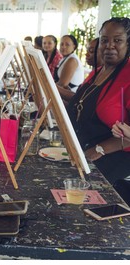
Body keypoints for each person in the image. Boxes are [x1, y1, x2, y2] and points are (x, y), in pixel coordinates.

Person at [67, 17, 130, 184]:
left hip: (115, 161)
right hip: (84, 152)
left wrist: (99, 149)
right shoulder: (98, 71)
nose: (109, 45)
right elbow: (78, 103)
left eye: (117, 40)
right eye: (104, 40)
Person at [54, 35, 84, 103]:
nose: (63, 47)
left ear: (74, 46)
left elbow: (62, 84)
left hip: (69, 99)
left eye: (67, 44)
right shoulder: (65, 58)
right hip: (63, 96)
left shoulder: (72, 60)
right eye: (61, 44)